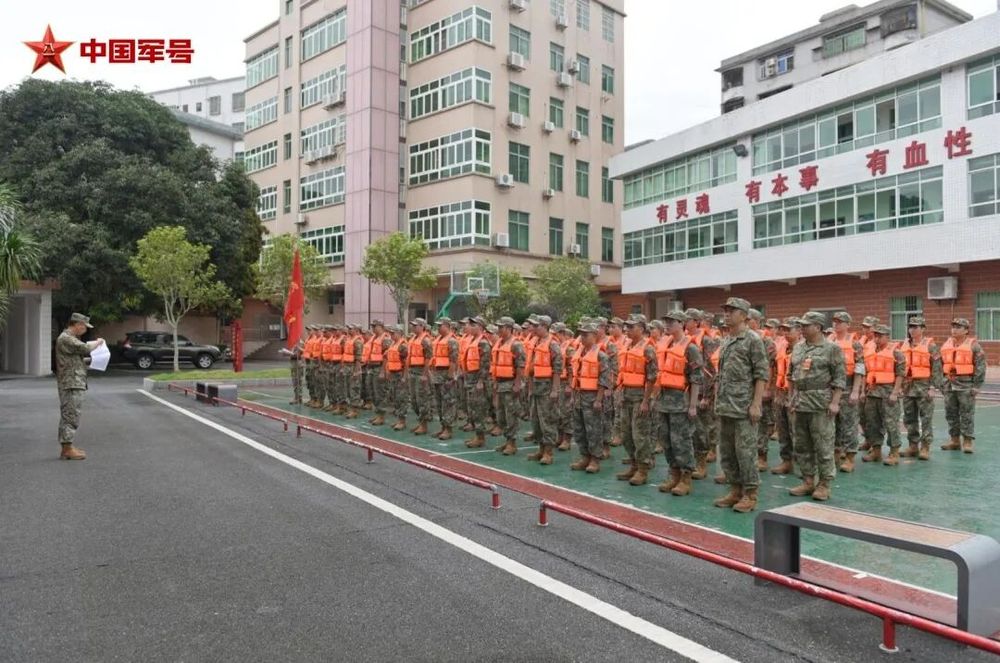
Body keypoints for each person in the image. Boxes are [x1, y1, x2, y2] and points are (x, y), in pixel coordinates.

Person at [713, 298, 769, 513]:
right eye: (725, 310)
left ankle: (750, 494)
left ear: (744, 315)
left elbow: (761, 374)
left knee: (745, 453)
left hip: (743, 407)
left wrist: (756, 404)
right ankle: (735, 490)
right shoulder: (727, 339)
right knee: (728, 452)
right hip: (726, 405)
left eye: (732, 311)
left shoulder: (753, 340)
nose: (726, 314)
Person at [787, 311, 846, 502]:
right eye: (801, 325)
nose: (802, 328)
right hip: (800, 402)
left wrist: (835, 402)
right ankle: (808, 480)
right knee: (802, 445)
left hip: (821, 403)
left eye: (806, 325)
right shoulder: (798, 348)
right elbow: (791, 375)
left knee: (823, 445)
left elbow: (840, 378)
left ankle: (824, 484)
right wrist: (791, 398)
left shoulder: (832, 349)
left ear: (818, 327)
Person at [653, 311, 703, 496]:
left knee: (681, 440)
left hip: (680, 402)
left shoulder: (691, 348)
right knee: (666, 440)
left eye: (671, 322)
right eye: (666, 321)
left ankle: (685, 477)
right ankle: (673, 474)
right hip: (663, 400)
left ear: (681, 324)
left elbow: (696, 379)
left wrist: (693, 405)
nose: (667, 325)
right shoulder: (666, 344)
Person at [55, 313, 106, 460]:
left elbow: (76, 358)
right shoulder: (66, 338)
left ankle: (67, 446)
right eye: (84, 327)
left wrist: (94, 360)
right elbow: (85, 348)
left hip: (73, 381)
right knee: (71, 414)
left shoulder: (70, 338)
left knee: (70, 413)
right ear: (78, 324)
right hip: (71, 383)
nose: (85, 330)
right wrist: (99, 342)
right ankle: (67, 448)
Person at [615, 315, 658, 486]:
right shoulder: (627, 346)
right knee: (626, 434)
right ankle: (633, 464)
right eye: (627, 327)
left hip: (640, 396)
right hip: (626, 395)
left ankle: (642, 469)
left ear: (641, 328)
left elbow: (652, 377)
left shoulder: (648, 348)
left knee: (640, 435)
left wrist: (646, 401)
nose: (627, 330)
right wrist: (620, 394)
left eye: (631, 327)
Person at [940, 318, 987, 453]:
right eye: (953, 327)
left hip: (966, 385)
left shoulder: (974, 346)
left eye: (958, 327)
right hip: (949, 384)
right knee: (951, 413)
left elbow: (980, 366)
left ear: (966, 330)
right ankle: (954, 440)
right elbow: (941, 365)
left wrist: (977, 385)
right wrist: (941, 383)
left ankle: (967, 441)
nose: (954, 329)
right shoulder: (946, 344)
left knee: (966, 413)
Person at [899, 316, 943, 459]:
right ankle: (913, 446)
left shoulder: (931, 346)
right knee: (909, 418)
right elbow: (899, 367)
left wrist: (933, 387)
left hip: (924, 387)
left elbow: (937, 368)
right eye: (910, 327)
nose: (912, 330)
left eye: (915, 327)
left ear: (923, 329)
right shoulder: (904, 345)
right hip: (907, 387)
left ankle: (925, 447)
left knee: (926, 418)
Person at [862, 325, 906, 465]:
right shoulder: (869, 352)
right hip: (872, 393)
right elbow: (865, 373)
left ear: (887, 336)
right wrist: (863, 391)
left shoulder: (896, 353)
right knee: (872, 423)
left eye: (880, 336)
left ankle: (894, 452)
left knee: (891, 423)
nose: (877, 338)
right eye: (875, 336)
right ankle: (876, 451)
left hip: (888, 393)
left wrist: (895, 393)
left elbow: (900, 374)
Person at [570, 322, 609, 473]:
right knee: (579, 429)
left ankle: (595, 459)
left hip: (592, 397)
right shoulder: (579, 353)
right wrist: (573, 395)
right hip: (579, 395)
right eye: (581, 335)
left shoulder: (601, 355)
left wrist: (598, 400)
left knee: (593, 429)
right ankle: (585, 456)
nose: (582, 338)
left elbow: (604, 379)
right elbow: (574, 375)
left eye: (585, 335)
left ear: (594, 336)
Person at [829, 312, 865, 472]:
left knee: (849, 424)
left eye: (840, 322)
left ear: (848, 325)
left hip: (848, 386)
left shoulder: (855, 344)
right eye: (835, 321)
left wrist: (856, 390)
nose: (836, 324)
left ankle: (850, 457)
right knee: (831, 424)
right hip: (830, 388)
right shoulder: (828, 342)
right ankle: (835, 453)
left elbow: (860, 368)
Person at [526, 315, 563, 465]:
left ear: (545, 327)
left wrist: (555, 390)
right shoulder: (535, 342)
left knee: (547, 420)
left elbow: (557, 369)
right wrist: (529, 387)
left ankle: (548, 452)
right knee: (536, 421)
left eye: (537, 326)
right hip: (535, 388)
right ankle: (541, 449)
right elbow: (531, 368)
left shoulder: (552, 344)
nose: (534, 329)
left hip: (547, 388)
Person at [491, 317, 527, 455]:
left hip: (510, 383)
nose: (499, 330)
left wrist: (517, 384)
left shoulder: (516, 344)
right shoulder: (499, 343)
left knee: (511, 414)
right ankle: (507, 441)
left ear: (509, 328)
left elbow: (520, 366)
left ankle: (512, 443)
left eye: (501, 327)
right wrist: (495, 383)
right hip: (500, 383)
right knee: (501, 415)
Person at [748, 309, 777, 472]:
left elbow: (770, 367)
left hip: (760, 387)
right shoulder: (740, 338)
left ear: (757, 322)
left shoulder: (766, 342)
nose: (747, 322)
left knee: (761, 423)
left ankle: (761, 456)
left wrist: (767, 388)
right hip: (743, 390)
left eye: (750, 319)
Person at [770, 318, 799, 475]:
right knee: (783, 429)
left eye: (789, 330)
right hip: (781, 393)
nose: (786, 333)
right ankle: (786, 461)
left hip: (797, 394)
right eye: (784, 330)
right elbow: (774, 370)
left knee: (797, 430)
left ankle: (801, 463)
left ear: (799, 331)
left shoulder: (804, 349)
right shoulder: (781, 348)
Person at [462, 317, 492, 448]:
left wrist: (480, 381)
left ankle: (480, 437)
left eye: (473, 325)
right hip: (471, 378)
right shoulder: (473, 340)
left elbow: (485, 364)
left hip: (478, 379)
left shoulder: (483, 342)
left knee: (479, 408)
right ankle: (477, 435)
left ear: (480, 327)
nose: (470, 327)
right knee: (473, 408)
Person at [430, 317, 460, 440]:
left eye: (440, 326)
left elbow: (454, 360)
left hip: (446, 374)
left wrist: (450, 376)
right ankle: (443, 426)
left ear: (447, 326)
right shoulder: (438, 339)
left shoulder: (452, 341)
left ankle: (448, 429)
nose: (438, 328)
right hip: (438, 374)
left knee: (448, 402)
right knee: (439, 402)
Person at [407, 318, 434, 434]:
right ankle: (420, 422)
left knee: (422, 399)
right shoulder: (413, 339)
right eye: (412, 326)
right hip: (412, 371)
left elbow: (428, 358)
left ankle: (424, 425)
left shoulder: (425, 340)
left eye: (415, 325)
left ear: (422, 326)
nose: (413, 327)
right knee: (414, 400)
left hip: (421, 371)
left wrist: (424, 374)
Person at [383, 324, 410, 430]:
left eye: (393, 333)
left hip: (400, 374)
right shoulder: (393, 344)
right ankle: (399, 419)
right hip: (393, 374)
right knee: (395, 397)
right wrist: (388, 371)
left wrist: (404, 377)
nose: (391, 335)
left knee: (401, 398)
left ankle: (402, 421)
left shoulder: (402, 346)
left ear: (399, 333)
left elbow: (406, 362)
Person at [367, 320, 392, 425]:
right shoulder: (374, 338)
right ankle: (377, 413)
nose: (373, 328)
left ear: (381, 327)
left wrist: (383, 371)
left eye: (375, 326)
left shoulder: (385, 339)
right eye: (372, 326)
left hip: (379, 367)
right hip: (372, 367)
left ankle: (381, 416)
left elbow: (386, 356)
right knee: (372, 391)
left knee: (380, 392)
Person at [280, 327, 307, 405]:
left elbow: (298, 355)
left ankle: (299, 398)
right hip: (293, 364)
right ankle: (296, 397)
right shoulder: (295, 345)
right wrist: (286, 353)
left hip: (298, 364)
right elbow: (292, 354)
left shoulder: (302, 344)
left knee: (298, 382)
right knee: (295, 382)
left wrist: (291, 353)